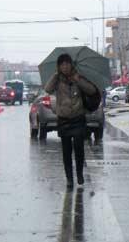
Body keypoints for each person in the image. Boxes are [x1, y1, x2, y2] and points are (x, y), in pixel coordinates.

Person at [45, 54, 98, 189]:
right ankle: (69, 178)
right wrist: (55, 75)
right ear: (59, 66)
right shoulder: (57, 79)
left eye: (67, 63)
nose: (65, 66)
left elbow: (92, 90)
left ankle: (79, 173)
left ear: (71, 65)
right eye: (62, 64)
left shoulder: (78, 77)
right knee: (66, 151)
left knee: (79, 149)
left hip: (78, 118)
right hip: (63, 119)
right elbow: (47, 89)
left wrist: (78, 80)